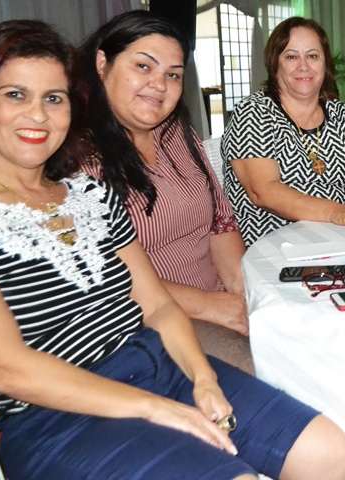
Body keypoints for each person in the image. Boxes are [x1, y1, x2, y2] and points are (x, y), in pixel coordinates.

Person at [0, 20, 345, 479]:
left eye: (53, 98)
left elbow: (160, 308)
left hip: (156, 364)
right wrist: (156, 408)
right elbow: (7, 369)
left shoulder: (88, 194)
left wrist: (203, 378)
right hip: (57, 414)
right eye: (15, 95)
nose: (39, 115)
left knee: (326, 447)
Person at [78, 11, 254, 371]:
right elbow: (105, 277)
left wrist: (242, 295)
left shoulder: (177, 132)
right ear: (102, 63)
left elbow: (220, 223)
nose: (159, 84)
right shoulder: (76, 156)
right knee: (267, 374)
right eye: (144, 66)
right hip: (145, 319)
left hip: (219, 300)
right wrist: (212, 307)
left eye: (172, 74)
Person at [221, 17, 345, 246]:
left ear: (325, 64)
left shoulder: (338, 113)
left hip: (338, 242)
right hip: (272, 249)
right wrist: (336, 212)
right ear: (274, 64)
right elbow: (263, 191)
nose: (303, 66)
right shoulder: (254, 112)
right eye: (291, 56)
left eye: (312, 56)